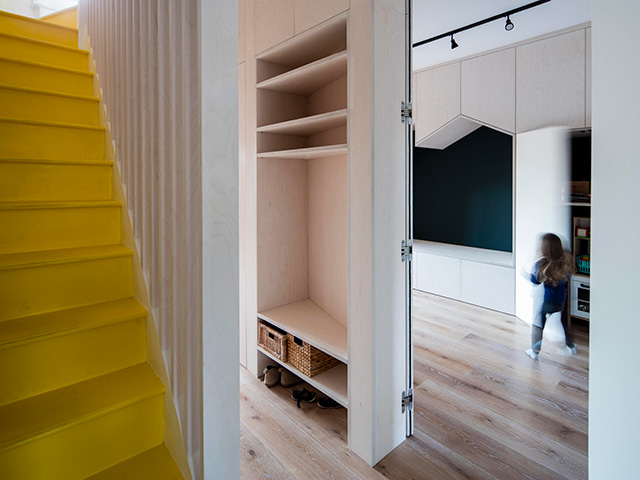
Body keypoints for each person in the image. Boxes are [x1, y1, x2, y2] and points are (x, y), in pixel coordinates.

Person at [525, 233, 577, 360]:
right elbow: (567, 280)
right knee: (564, 323)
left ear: (544, 248)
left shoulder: (541, 264)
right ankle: (570, 346)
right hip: (561, 301)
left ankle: (534, 351)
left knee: (538, 325)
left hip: (548, 301)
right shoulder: (564, 262)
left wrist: (526, 274)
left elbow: (535, 281)